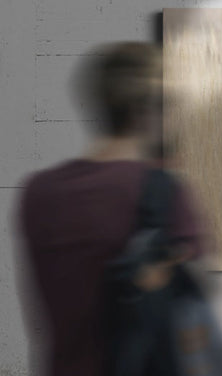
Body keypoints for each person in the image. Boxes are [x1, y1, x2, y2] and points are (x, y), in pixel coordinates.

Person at [15, 42, 205, 376]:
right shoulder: (162, 191)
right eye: (171, 105)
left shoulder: (37, 192)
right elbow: (194, 330)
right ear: (146, 110)